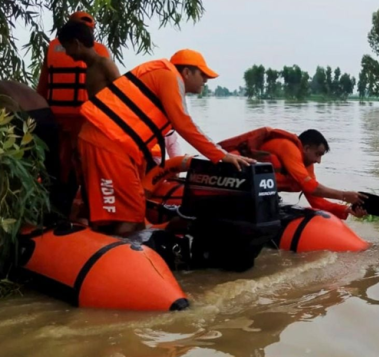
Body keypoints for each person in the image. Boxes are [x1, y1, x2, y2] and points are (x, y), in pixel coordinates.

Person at [56, 25, 256, 236]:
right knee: (131, 219)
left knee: (120, 216)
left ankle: (109, 243)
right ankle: (122, 252)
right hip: (106, 143)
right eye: (203, 74)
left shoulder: (164, 79)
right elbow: (184, 124)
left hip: (109, 143)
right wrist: (221, 155)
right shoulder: (169, 76)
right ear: (186, 72)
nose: (206, 80)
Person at [35, 12, 112, 205]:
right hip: (83, 118)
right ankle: (85, 204)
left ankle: (59, 203)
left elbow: (42, 87)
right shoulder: (100, 52)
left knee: (58, 163)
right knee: (83, 163)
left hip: (56, 116)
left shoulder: (52, 48)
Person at [220, 128, 367, 220]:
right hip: (235, 187)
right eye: (318, 154)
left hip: (259, 195)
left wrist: (347, 209)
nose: (318, 161)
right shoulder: (288, 147)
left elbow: (317, 201)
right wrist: (343, 195)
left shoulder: (306, 166)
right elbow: (310, 186)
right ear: (306, 148)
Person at [0, 80, 66, 218]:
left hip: (19, 117)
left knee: (14, 173)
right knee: (51, 170)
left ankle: (18, 213)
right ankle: (58, 213)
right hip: (45, 114)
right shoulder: (10, 84)